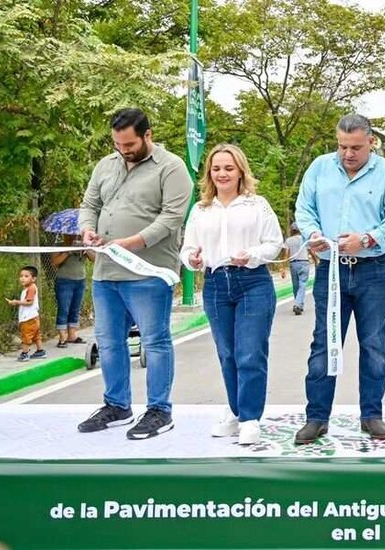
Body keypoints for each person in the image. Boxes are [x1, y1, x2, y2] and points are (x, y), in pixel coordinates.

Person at [76, 108, 193, 440]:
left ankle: (159, 410)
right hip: (106, 271)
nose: (123, 150)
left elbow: (171, 218)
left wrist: (130, 243)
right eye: (117, 144)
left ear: (147, 135)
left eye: (129, 144)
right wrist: (87, 230)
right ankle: (117, 406)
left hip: (148, 272)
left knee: (154, 341)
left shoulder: (171, 168)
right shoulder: (105, 165)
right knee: (109, 341)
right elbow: (89, 205)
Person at [293, 113, 385, 444]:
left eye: (356, 147)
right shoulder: (319, 168)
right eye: (342, 146)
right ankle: (317, 417)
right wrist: (313, 234)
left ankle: (371, 415)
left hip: (376, 269)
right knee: (324, 343)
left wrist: (367, 239)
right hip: (331, 268)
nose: (348, 154)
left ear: (371, 142)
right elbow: (305, 209)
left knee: (374, 345)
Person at [181, 144, 283, 446]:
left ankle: (250, 418)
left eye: (229, 168)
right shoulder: (200, 209)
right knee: (227, 353)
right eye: (216, 168)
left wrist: (251, 255)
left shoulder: (257, 205)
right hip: (215, 284)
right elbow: (188, 249)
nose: (222, 174)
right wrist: (192, 260)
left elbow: (274, 243)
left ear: (240, 171)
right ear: (209, 173)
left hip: (252, 281)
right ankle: (236, 411)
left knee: (250, 352)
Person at [51, 234, 95, 348]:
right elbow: (54, 262)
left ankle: (72, 335)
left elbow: (94, 259)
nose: (75, 237)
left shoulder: (82, 246)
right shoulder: (59, 246)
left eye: (77, 236)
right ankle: (62, 337)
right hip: (64, 281)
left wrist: (86, 249)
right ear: (65, 234)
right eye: (71, 235)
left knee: (75, 308)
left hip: (80, 280)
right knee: (64, 309)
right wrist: (68, 251)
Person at [6, 266, 45, 362]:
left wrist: (16, 302)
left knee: (26, 336)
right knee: (36, 335)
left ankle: (24, 353)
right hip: (33, 317)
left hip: (29, 318)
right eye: (21, 276)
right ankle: (40, 351)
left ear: (33, 278)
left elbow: (29, 302)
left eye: (26, 276)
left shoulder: (31, 288)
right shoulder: (29, 288)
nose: (23, 278)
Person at [285, 223, 313, 315]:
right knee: (302, 284)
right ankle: (298, 304)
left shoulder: (288, 240)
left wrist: (283, 268)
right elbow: (310, 251)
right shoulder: (304, 239)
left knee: (296, 285)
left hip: (293, 264)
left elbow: (286, 254)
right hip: (304, 263)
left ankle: (299, 304)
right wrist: (316, 261)